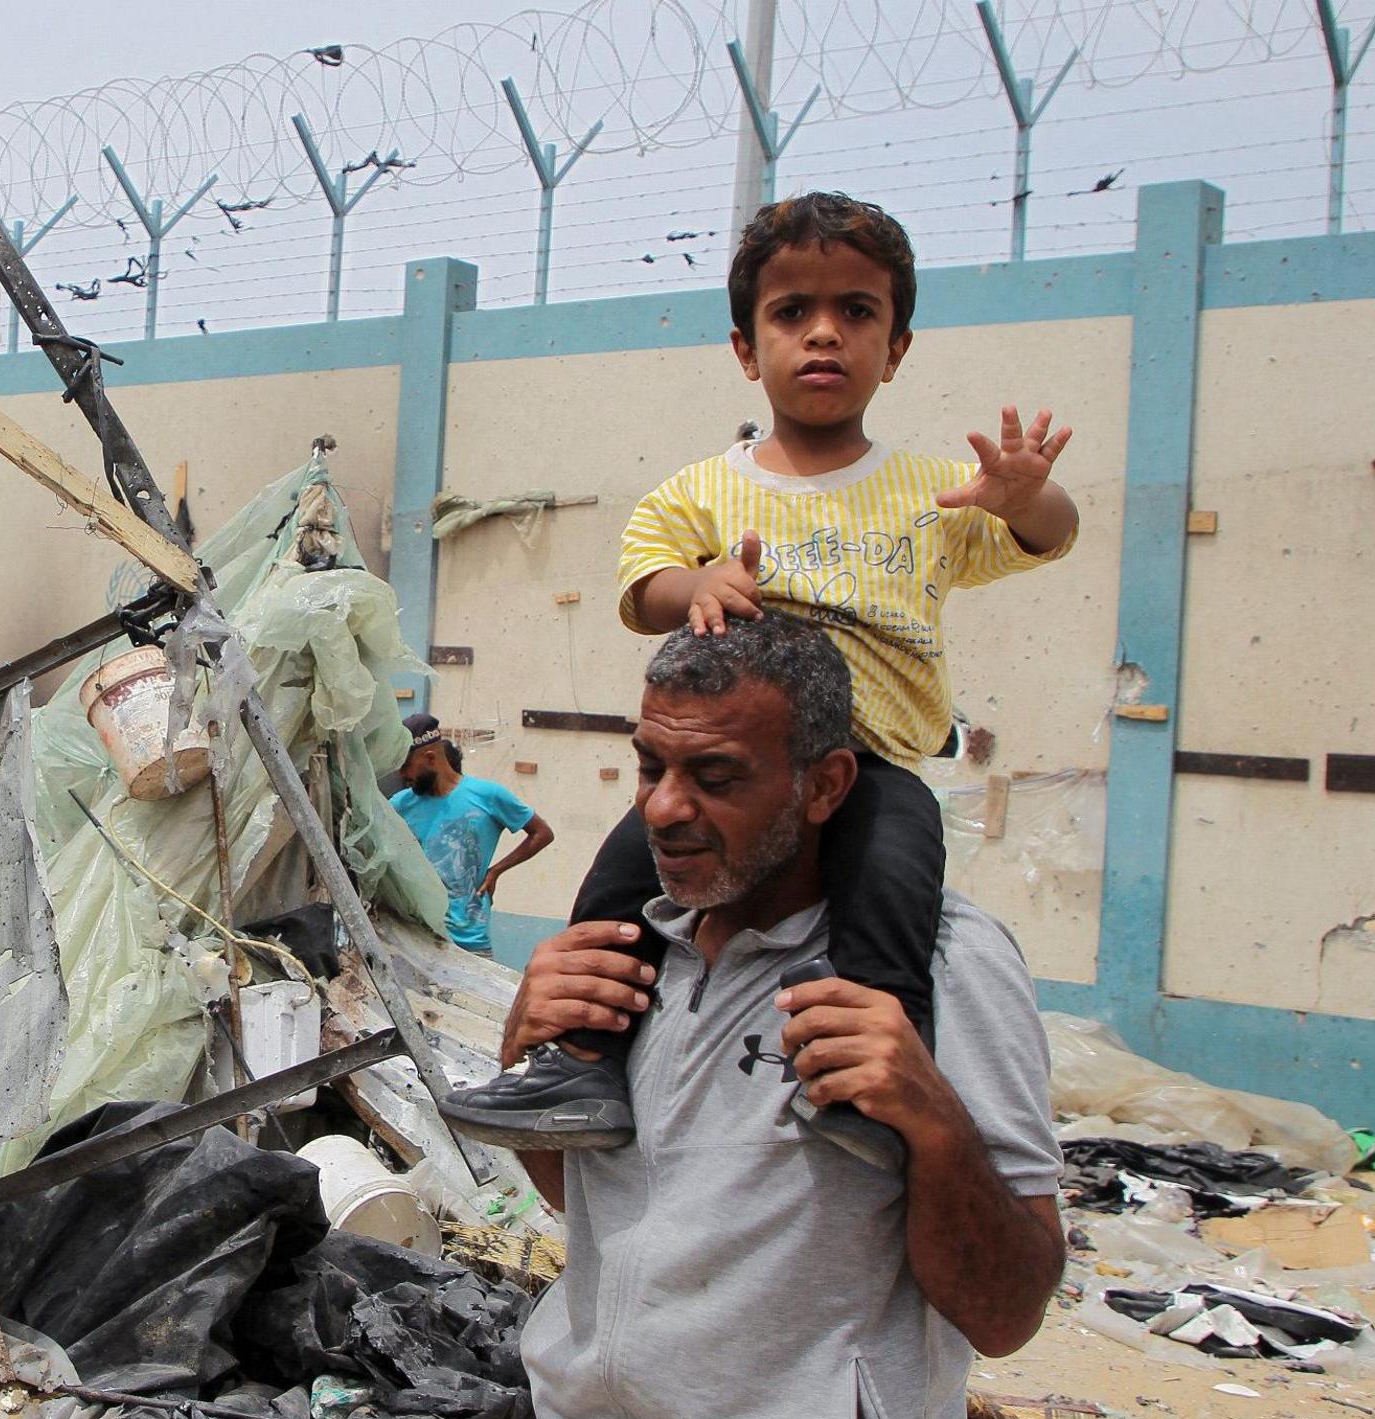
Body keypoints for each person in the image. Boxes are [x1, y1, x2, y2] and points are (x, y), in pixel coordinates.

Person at [439, 190, 1079, 1150]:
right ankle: (581, 1067)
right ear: (747, 347)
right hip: (741, 760)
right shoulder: (703, 490)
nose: (824, 335)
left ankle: (864, 1088)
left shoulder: (935, 493)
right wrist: (697, 580)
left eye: (857, 312)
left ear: (896, 348)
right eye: (791, 313)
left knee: (895, 887)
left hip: (873, 764)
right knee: (619, 883)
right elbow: (641, 583)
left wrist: (1030, 497)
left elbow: (1047, 540)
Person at [510, 617, 1065, 1419]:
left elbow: (1007, 1313)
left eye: (716, 776)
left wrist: (934, 1122)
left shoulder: (948, 965)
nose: (663, 808)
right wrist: (528, 1047)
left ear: (826, 786)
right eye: (650, 767)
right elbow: (602, 1205)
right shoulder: (637, 949)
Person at [390, 713, 554, 959]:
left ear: (430, 758)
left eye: (406, 766)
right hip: (416, 938)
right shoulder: (400, 805)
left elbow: (541, 833)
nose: (403, 775)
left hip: (469, 941)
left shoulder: (487, 795)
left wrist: (496, 870)